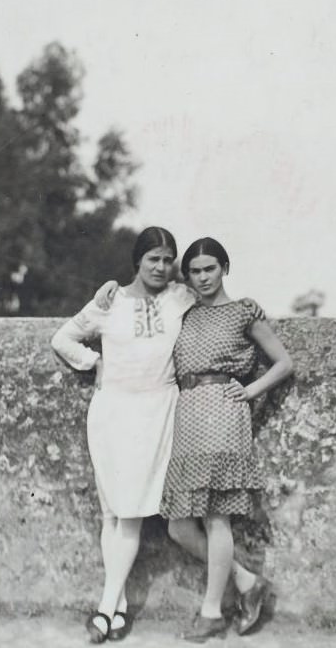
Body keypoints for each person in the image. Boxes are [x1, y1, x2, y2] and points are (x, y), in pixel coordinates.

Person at [51, 226, 196, 644]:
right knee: (111, 513)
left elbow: (214, 295)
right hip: (112, 411)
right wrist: (93, 362)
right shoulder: (109, 302)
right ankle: (118, 610)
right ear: (138, 261)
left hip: (156, 412)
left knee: (130, 512)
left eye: (168, 260)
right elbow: (62, 338)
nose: (161, 267)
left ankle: (104, 608)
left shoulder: (181, 298)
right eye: (153, 259)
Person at [163, 237, 293, 642]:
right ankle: (248, 581)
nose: (203, 277)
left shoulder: (243, 312)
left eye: (210, 268)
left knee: (215, 515)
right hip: (187, 414)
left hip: (223, 411)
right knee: (178, 527)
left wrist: (251, 391)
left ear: (225, 268)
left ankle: (211, 613)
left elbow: (284, 363)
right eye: (195, 271)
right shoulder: (184, 313)